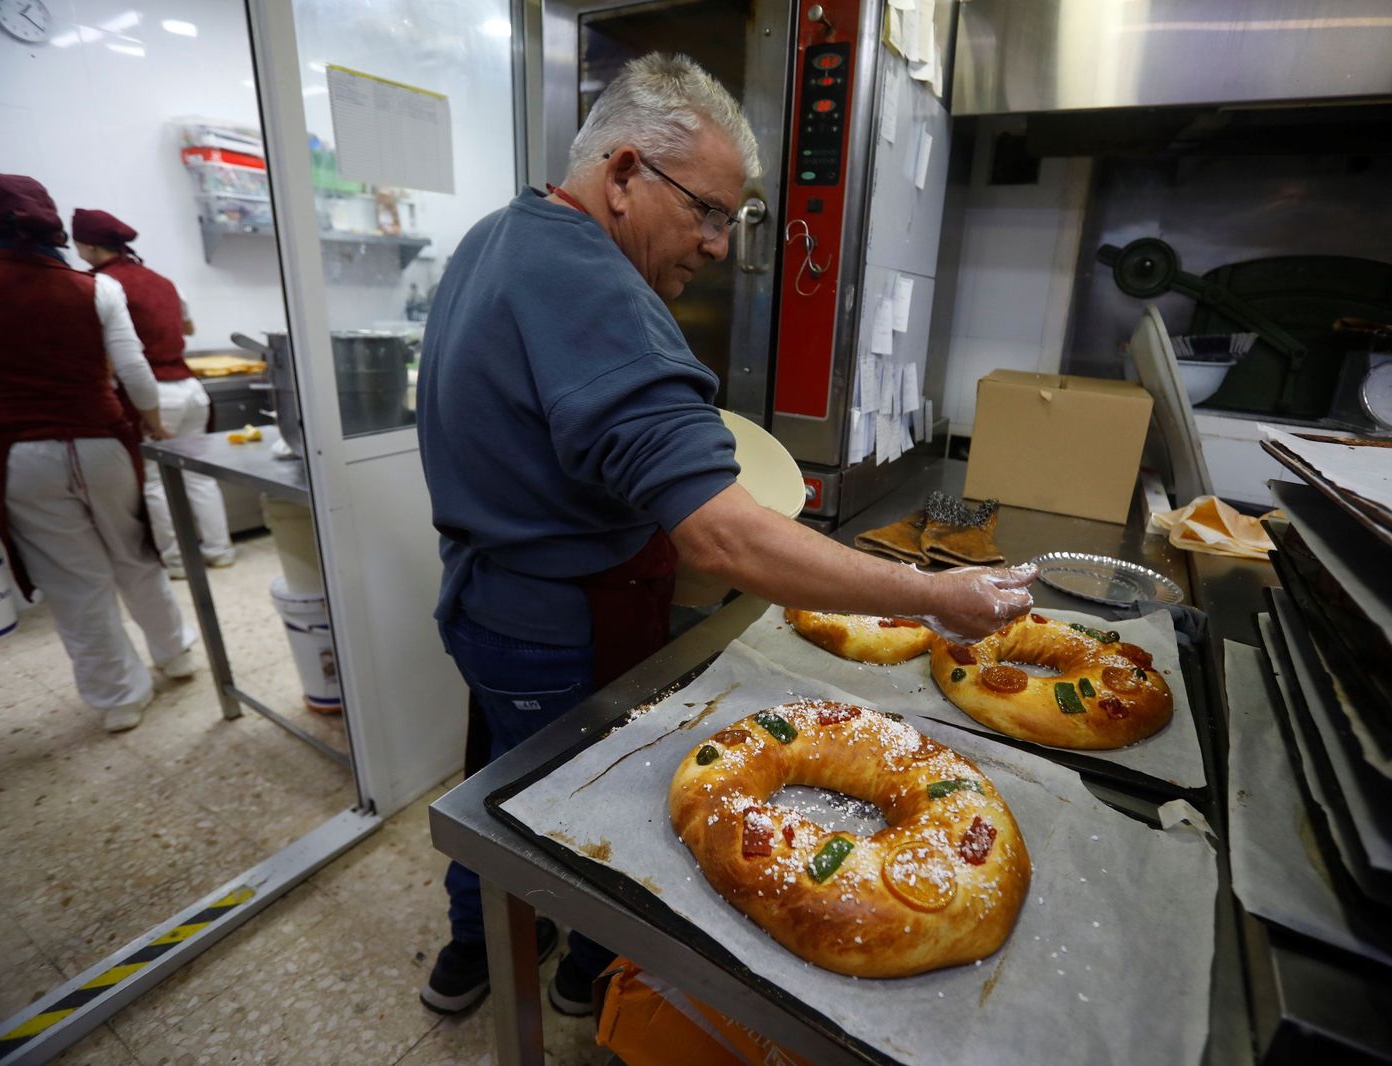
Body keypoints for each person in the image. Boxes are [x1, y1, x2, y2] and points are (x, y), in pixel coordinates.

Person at [414, 55, 1036, 1017]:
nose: (714, 245)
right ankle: (589, 965)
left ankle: (476, 949)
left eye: (729, 221)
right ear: (622, 174)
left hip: (481, 602)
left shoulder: (499, 236)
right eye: (705, 212)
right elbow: (723, 541)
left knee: (498, 776)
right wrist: (934, 595)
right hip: (563, 623)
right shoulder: (602, 293)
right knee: (581, 812)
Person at [0, 173, 199, 733]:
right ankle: (176, 654)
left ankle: (119, 699)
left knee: (74, 581)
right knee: (136, 554)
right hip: (102, 441)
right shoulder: (95, 288)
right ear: (53, 226)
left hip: (18, 451)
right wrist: (152, 420)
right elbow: (133, 371)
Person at [72, 208, 235, 578]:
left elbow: (110, 353)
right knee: (200, 476)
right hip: (192, 390)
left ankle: (177, 561)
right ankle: (220, 551)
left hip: (154, 393)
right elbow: (188, 327)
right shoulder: (163, 281)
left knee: (156, 481)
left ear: (89, 246)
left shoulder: (99, 286)